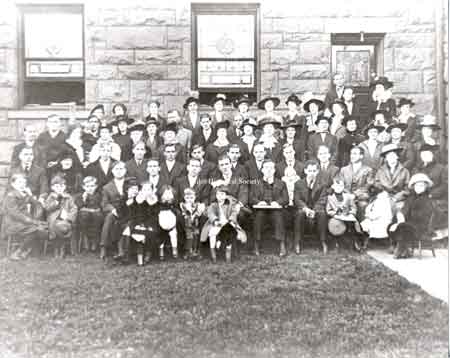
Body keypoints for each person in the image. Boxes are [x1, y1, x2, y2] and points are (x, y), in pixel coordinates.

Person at [2, 174, 48, 260]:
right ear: (13, 184)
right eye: (19, 182)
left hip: (23, 222)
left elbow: (37, 204)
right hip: (12, 223)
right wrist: (31, 221)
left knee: (42, 228)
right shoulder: (11, 196)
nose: (22, 184)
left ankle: (26, 251)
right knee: (36, 229)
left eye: (24, 182)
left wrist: (30, 194)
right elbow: (15, 214)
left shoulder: (24, 194)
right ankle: (19, 252)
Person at [388, 174, 434, 259]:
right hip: (410, 223)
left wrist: (405, 220)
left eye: (421, 185)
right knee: (392, 223)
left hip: (421, 226)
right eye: (416, 185)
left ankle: (401, 249)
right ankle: (400, 247)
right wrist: (401, 215)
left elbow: (422, 216)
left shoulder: (426, 199)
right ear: (413, 187)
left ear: (425, 187)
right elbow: (405, 209)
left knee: (403, 226)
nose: (418, 187)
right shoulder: (411, 197)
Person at [250, 160, 289, 257]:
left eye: (271, 168)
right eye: (266, 167)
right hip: (261, 210)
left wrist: (277, 202)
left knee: (278, 216)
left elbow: (285, 199)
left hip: (275, 210)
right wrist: (259, 202)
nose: (268, 170)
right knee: (259, 216)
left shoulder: (281, 183)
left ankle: (281, 244)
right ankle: (256, 244)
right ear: (262, 170)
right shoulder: (256, 183)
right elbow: (251, 198)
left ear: (274, 170)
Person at [200, 185, 247, 263]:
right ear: (216, 195)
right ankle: (213, 253)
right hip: (217, 223)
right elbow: (210, 213)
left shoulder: (230, 205)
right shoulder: (213, 205)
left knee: (230, 231)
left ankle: (228, 252)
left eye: (222, 194)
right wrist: (215, 220)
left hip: (227, 223)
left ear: (226, 196)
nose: (220, 196)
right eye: (218, 194)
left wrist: (231, 220)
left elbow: (234, 213)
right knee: (212, 233)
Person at [293, 160, 329, 254]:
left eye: (314, 171)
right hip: (303, 209)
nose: (311, 173)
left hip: (316, 209)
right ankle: (298, 242)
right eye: (309, 171)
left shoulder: (322, 184)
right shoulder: (298, 183)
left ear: (317, 171)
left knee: (322, 214)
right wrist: (306, 209)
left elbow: (322, 199)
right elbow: (297, 199)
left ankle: (323, 241)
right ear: (305, 171)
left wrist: (314, 210)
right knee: (299, 214)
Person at [412, 144, 448, 232]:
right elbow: (413, 184)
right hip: (419, 196)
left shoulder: (441, 168)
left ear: (432, 155)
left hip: (435, 198)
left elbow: (445, 185)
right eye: (423, 154)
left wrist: (432, 194)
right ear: (420, 156)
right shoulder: (417, 169)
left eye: (428, 154)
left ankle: (429, 233)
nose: (425, 156)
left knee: (430, 208)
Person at [43, 175, 78, 258]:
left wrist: (68, 217)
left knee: (61, 227)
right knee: (56, 225)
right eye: (57, 186)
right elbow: (47, 208)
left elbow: (74, 209)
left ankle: (60, 247)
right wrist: (56, 203)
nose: (59, 188)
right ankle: (57, 247)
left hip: (65, 220)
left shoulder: (68, 197)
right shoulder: (51, 197)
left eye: (61, 186)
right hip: (53, 219)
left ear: (65, 187)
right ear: (52, 188)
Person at [99, 161, 127, 261]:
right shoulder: (107, 187)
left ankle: (120, 250)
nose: (119, 171)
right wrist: (113, 209)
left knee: (121, 221)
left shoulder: (130, 183)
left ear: (125, 170)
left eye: (121, 169)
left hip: (129, 210)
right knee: (110, 217)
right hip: (115, 211)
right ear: (112, 171)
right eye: (116, 169)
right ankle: (104, 247)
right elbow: (104, 204)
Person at [338, 146, 374, 220]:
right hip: (345, 197)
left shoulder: (368, 170)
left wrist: (355, 195)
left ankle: (361, 229)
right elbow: (340, 185)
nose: (352, 156)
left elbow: (368, 186)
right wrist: (347, 195)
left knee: (363, 205)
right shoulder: (344, 170)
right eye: (351, 154)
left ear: (361, 156)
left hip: (360, 198)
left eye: (355, 154)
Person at [326, 178, 360, 250]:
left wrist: (349, 212)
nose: (339, 188)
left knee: (352, 223)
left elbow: (354, 208)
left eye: (340, 186)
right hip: (336, 216)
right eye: (337, 187)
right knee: (336, 224)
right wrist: (335, 213)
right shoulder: (330, 198)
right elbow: (328, 210)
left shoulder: (348, 197)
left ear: (343, 187)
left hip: (346, 215)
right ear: (333, 187)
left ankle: (354, 241)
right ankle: (336, 242)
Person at [74, 176, 103, 253]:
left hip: (96, 216)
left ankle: (94, 241)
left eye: (92, 186)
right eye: (87, 186)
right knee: (84, 215)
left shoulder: (99, 195)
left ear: (96, 186)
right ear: (83, 187)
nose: (90, 188)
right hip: (83, 217)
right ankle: (85, 241)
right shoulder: (80, 196)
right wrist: (83, 199)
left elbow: (100, 206)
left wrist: (94, 210)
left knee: (97, 216)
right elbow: (79, 207)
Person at [180, 188, 206, 260]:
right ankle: (188, 251)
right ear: (184, 198)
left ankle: (196, 251)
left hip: (195, 225)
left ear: (195, 197)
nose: (189, 200)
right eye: (187, 198)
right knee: (189, 237)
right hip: (187, 225)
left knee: (196, 236)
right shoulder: (183, 205)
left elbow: (198, 213)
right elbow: (185, 213)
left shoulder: (197, 205)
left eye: (191, 198)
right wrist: (189, 212)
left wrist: (196, 214)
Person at [157, 185, 180, 260]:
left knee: (174, 234)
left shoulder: (174, 205)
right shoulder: (159, 204)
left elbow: (177, 212)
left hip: (172, 224)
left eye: (169, 194)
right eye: (165, 194)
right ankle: (161, 250)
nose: (167, 196)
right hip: (161, 223)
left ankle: (174, 249)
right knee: (160, 235)